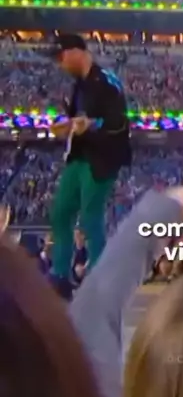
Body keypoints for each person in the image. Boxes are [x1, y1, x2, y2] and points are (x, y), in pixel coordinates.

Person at [48, 34, 132, 300]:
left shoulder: (107, 82)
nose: (60, 63)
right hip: (79, 155)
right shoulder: (79, 86)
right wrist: (66, 126)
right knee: (60, 213)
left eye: (61, 56)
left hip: (102, 157)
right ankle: (60, 275)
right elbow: (77, 120)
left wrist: (92, 125)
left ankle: (99, 279)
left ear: (76, 52)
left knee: (90, 217)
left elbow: (120, 123)